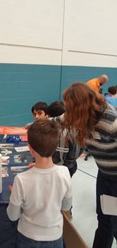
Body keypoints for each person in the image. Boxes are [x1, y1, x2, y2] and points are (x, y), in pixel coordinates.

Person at [60, 82, 117, 248]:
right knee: (104, 219)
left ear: (80, 107)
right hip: (105, 175)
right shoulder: (78, 116)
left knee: (114, 224)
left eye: (69, 106)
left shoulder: (111, 123)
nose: (67, 110)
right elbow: (59, 119)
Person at [7, 119, 72, 248]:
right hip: (55, 236)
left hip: (27, 236)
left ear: (30, 149)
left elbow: (12, 216)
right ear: (55, 145)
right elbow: (66, 207)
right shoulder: (65, 173)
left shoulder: (21, 179)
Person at [47, 101, 82, 177]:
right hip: (70, 165)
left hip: (63, 169)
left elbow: (60, 161)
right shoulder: (73, 128)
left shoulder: (63, 134)